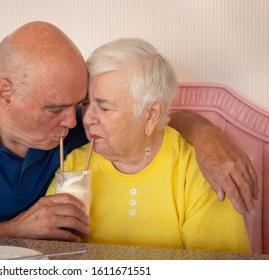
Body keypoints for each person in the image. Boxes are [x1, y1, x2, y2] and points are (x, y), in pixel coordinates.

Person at [0, 21, 256, 243]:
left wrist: (207, 133)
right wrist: (16, 230)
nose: (76, 121)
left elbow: (144, 123)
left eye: (80, 104)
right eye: (56, 109)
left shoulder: (79, 130)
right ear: (6, 93)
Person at [47, 37, 250, 253]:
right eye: (86, 104)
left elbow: (223, 268)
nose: (87, 119)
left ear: (151, 113)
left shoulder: (199, 170)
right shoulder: (74, 165)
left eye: (104, 108)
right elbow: (52, 257)